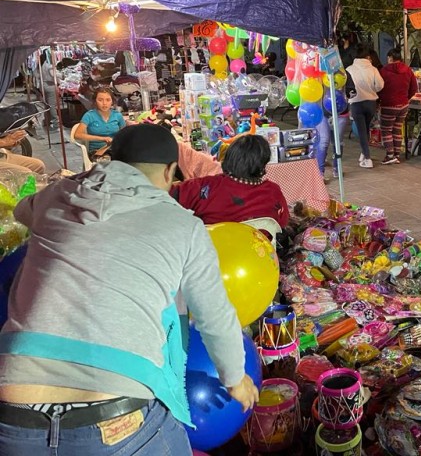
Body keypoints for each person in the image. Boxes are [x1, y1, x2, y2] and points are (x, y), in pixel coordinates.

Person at [0, 124, 258, 454]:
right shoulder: (184, 227)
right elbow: (215, 316)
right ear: (169, 172)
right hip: (114, 419)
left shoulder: (58, 195)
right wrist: (236, 379)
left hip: (14, 416)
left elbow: (23, 211)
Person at [172, 134, 289, 228]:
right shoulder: (273, 191)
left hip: (215, 254)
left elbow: (163, 195)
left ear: (229, 157)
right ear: (263, 163)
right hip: (259, 254)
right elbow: (282, 223)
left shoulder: (203, 187)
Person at [345, 47, 384, 169]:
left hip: (356, 103)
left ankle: (367, 158)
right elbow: (380, 85)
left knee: (362, 131)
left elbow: (347, 88)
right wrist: (372, 90)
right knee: (366, 129)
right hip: (371, 103)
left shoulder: (349, 69)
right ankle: (364, 153)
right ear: (367, 57)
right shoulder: (373, 69)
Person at [378, 48, 418, 165]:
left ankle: (390, 155)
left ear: (390, 58)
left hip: (389, 105)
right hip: (403, 105)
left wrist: (380, 99)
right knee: (397, 129)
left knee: (386, 130)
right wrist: (406, 98)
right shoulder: (408, 70)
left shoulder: (384, 71)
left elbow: (379, 87)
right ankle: (396, 155)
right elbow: (414, 88)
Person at [74, 87, 126, 159]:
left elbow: (125, 134)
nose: (104, 103)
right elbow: (77, 135)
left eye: (108, 100)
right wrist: (102, 139)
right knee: (108, 160)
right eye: (100, 100)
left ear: (112, 101)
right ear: (95, 101)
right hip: (97, 151)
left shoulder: (117, 115)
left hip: (115, 149)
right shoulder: (89, 115)